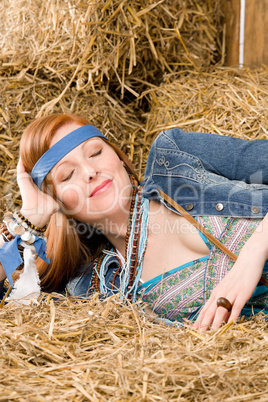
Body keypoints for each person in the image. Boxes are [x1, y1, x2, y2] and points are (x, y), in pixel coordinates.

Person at [1, 113, 268, 331]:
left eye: (95, 152)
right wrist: (29, 217)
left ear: (119, 158)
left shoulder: (174, 157)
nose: (90, 172)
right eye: (68, 175)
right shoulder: (94, 286)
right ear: (58, 203)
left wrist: (254, 253)